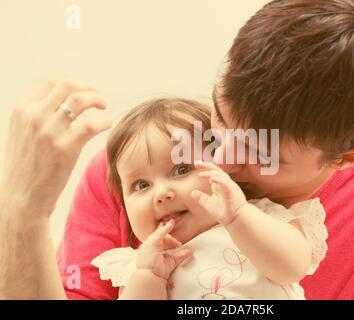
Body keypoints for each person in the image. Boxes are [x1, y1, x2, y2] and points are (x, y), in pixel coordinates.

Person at [0, 0, 354, 300]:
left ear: (347, 156)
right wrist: (22, 214)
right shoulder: (141, 168)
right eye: (220, 119)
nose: (222, 158)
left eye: (262, 152)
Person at [90, 98, 328, 300]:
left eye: (181, 169)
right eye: (141, 185)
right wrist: (149, 277)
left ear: (223, 165)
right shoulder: (139, 267)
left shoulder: (260, 217)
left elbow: (292, 268)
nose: (161, 194)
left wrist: (237, 216)